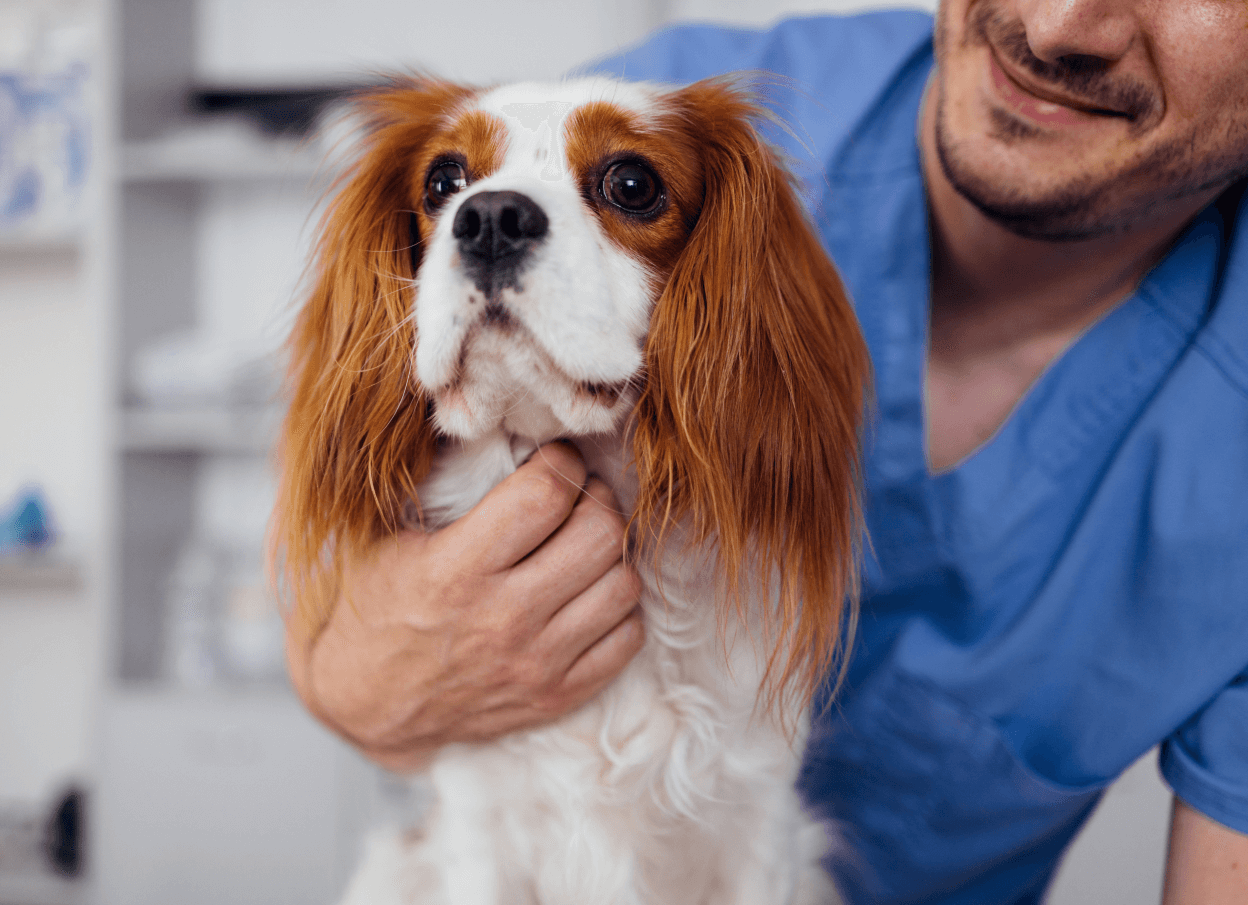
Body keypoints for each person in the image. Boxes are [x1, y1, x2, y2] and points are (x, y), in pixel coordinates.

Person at [283, 0, 1248, 901]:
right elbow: (328, 643)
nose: (1058, 21)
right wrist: (372, 671)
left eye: (626, 188)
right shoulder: (693, 84)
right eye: (451, 185)